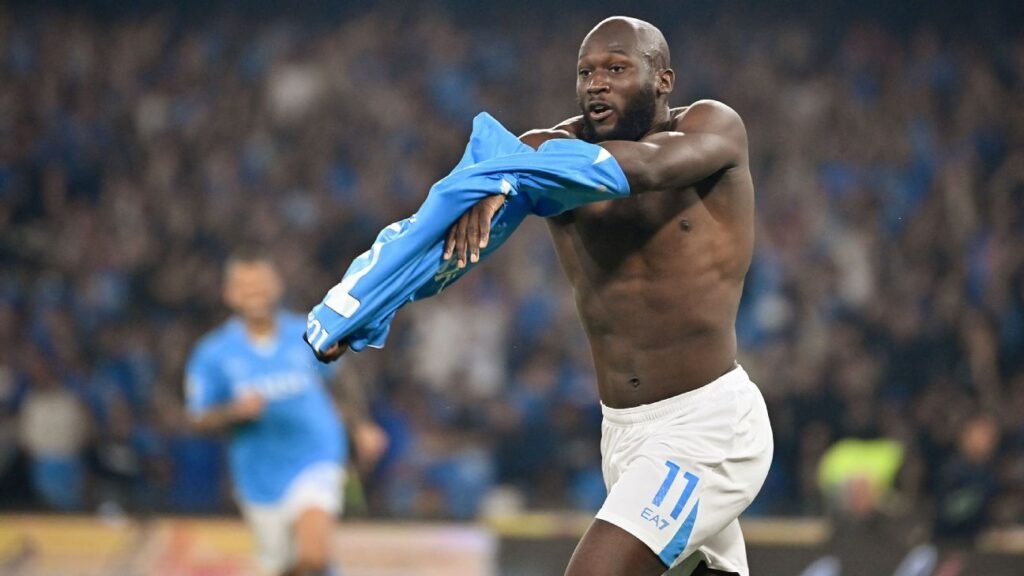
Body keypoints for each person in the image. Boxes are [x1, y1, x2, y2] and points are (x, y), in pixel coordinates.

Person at [442, 17, 773, 576]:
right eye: (585, 72)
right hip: (621, 433)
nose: (596, 83)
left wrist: (508, 169)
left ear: (662, 79)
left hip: (706, 425)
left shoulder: (714, 127)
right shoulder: (548, 151)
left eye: (616, 69)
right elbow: (441, 230)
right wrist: (358, 312)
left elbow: (649, 166)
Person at [186, 248, 384, 576]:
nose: (255, 294)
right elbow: (197, 418)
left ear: (277, 286)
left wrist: (362, 425)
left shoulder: (308, 331)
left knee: (312, 554)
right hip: (259, 478)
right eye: (245, 287)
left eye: (261, 285)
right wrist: (234, 411)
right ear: (229, 294)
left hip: (316, 455)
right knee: (288, 565)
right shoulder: (212, 354)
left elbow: (340, 378)